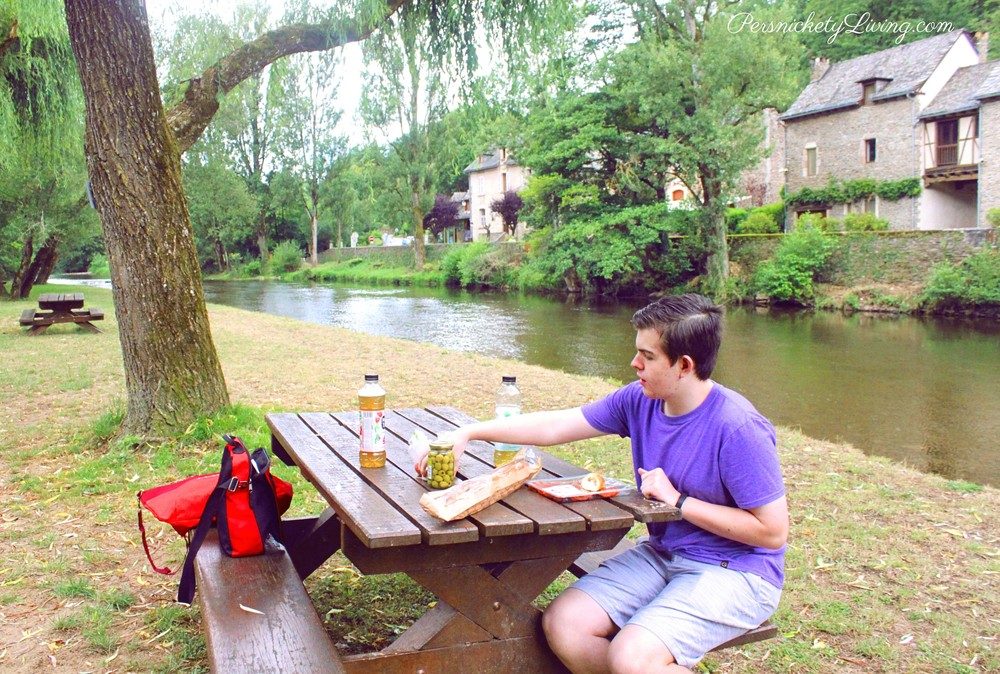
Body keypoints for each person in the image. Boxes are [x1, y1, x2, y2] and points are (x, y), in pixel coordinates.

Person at [416, 293, 787, 673]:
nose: (634, 363)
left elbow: (771, 533)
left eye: (648, 356)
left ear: (684, 365)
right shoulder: (639, 400)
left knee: (631, 657)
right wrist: (470, 432)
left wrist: (678, 502)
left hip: (738, 572)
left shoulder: (738, 428)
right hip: (662, 555)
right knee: (564, 625)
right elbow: (556, 425)